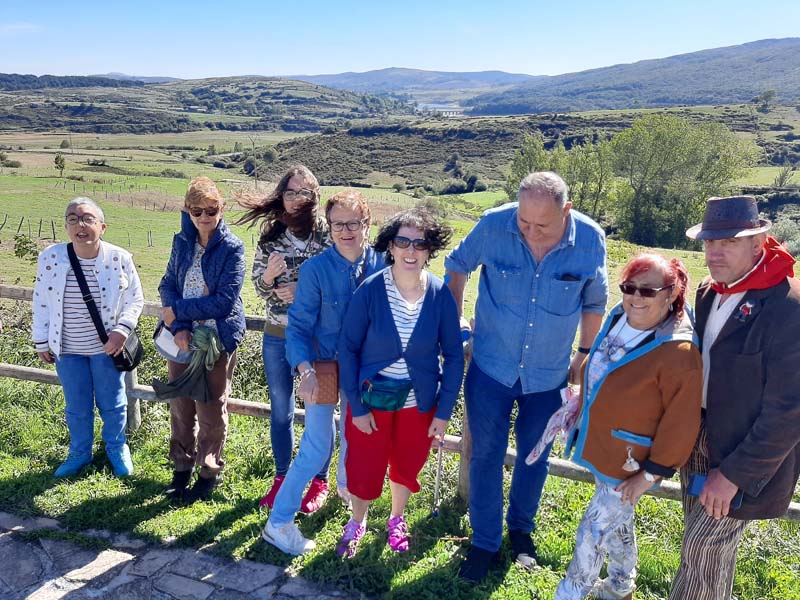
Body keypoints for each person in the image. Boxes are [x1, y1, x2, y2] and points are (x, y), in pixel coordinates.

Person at [444, 171, 609, 582]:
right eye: (524, 222)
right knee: (485, 455)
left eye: (543, 225)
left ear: (566, 211)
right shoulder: (493, 225)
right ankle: (484, 542)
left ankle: (521, 531)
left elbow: (595, 302)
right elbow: (456, 265)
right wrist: (456, 318)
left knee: (535, 456)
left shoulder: (590, 239)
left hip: (549, 376)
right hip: (490, 367)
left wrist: (584, 353)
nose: (532, 232)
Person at [668, 196, 800, 600]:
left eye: (729, 242)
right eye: (710, 242)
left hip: (741, 454)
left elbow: (789, 412)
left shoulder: (788, 307)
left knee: (702, 548)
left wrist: (734, 475)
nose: (715, 252)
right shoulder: (709, 291)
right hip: (699, 439)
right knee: (704, 554)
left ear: (758, 244)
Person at [555, 253, 702, 600]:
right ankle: (620, 586)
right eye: (629, 287)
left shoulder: (680, 352)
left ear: (671, 293)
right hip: (605, 446)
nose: (636, 297)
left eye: (648, 291)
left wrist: (650, 474)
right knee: (617, 519)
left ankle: (569, 593)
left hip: (631, 461)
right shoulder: (619, 317)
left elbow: (681, 422)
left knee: (592, 530)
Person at [334, 209, 464, 558]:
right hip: (371, 402)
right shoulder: (370, 291)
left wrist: (444, 412)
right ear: (390, 246)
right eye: (403, 241)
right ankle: (357, 521)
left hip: (418, 405)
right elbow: (347, 349)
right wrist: (357, 406)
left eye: (419, 243)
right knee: (364, 465)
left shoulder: (439, 295)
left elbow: (454, 357)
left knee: (407, 465)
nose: (410, 250)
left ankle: (396, 519)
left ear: (429, 250)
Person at [261, 189, 385, 555]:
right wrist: (305, 371)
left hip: (367, 372)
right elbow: (298, 327)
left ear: (367, 224)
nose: (345, 231)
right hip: (325, 369)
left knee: (359, 439)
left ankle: (349, 494)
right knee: (315, 448)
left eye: (353, 223)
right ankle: (278, 523)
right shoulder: (316, 270)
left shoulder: (383, 265)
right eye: (337, 224)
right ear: (328, 227)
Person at [237, 165, 332, 513]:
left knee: (320, 412)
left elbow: (339, 282)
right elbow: (259, 288)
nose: (296, 199)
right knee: (281, 412)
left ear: (315, 196)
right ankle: (281, 478)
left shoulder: (328, 234)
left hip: (319, 339)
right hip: (277, 335)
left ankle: (319, 482)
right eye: (290, 192)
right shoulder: (271, 235)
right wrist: (269, 278)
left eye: (304, 192)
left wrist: (302, 288)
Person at [32, 197, 144, 478]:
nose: (80, 225)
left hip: (107, 348)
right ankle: (80, 452)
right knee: (77, 406)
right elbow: (41, 300)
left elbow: (135, 299)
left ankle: (116, 448)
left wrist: (122, 330)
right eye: (73, 219)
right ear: (66, 227)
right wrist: (41, 340)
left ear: (102, 227)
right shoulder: (51, 257)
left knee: (113, 403)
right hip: (66, 348)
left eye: (87, 219)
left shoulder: (119, 258)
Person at [158, 177, 246, 503]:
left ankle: (208, 471)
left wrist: (177, 310)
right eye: (197, 211)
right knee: (181, 406)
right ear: (188, 210)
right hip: (181, 339)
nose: (204, 217)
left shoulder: (233, 248)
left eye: (211, 210)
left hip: (215, 341)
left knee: (210, 409)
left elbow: (223, 302)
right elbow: (168, 284)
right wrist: (179, 326)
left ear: (222, 209)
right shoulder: (182, 242)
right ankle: (181, 467)